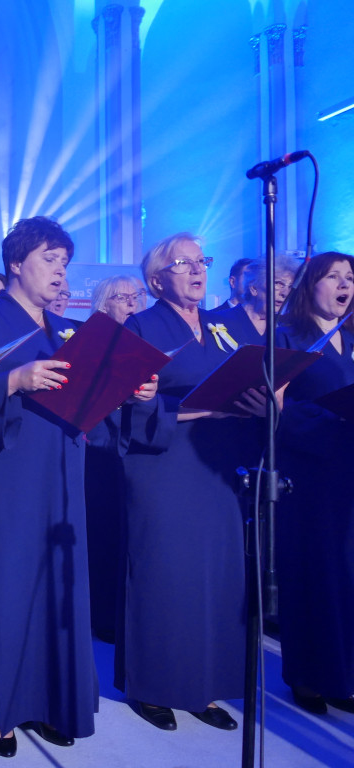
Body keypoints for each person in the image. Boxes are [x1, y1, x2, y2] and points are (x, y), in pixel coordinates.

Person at [0, 217, 151, 758]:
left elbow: (91, 399)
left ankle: (48, 700)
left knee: (54, 585)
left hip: (60, 469)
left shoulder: (63, 329)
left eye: (64, 263)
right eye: (49, 260)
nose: (59, 272)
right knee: (10, 585)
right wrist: (13, 381)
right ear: (16, 263)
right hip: (3, 472)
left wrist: (129, 391)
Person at [116, 233, 273, 733]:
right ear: (158, 278)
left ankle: (201, 686)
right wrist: (202, 407)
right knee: (164, 575)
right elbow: (129, 405)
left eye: (201, 261)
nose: (197, 270)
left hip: (216, 465)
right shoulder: (141, 326)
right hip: (164, 466)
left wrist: (255, 399)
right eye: (182, 263)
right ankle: (153, 687)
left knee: (214, 578)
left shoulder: (223, 328)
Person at [277, 252, 354, 715]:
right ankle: (307, 675)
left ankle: (344, 677)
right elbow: (275, 406)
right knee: (315, 573)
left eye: (351, 278)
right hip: (311, 472)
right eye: (334, 277)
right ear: (312, 285)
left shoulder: (352, 336)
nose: (345, 285)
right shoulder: (289, 338)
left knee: (349, 576)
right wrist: (332, 422)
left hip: (351, 470)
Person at [84, 273, 149, 642]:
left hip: (132, 446)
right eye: (123, 297)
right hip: (99, 445)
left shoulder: (139, 336)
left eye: (136, 296)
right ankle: (103, 615)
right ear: (104, 302)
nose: (132, 303)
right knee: (104, 531)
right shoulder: (92, 338)